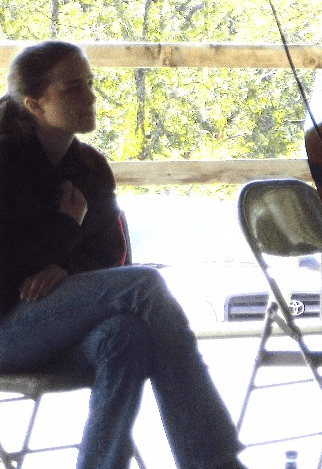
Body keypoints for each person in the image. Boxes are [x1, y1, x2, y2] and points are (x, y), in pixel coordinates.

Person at [0, 40, 247, 469]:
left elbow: (112, 254)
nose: (91, 97)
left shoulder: (90, 167)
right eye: (73, 89)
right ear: (34, 104)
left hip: (57, 325)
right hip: (6, 325)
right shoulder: (5, 164)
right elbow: (12, 270)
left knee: (126, 335)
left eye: (90, 85)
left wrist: (65, 266)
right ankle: (214, 462)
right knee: (145, 284)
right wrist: (64, 230)